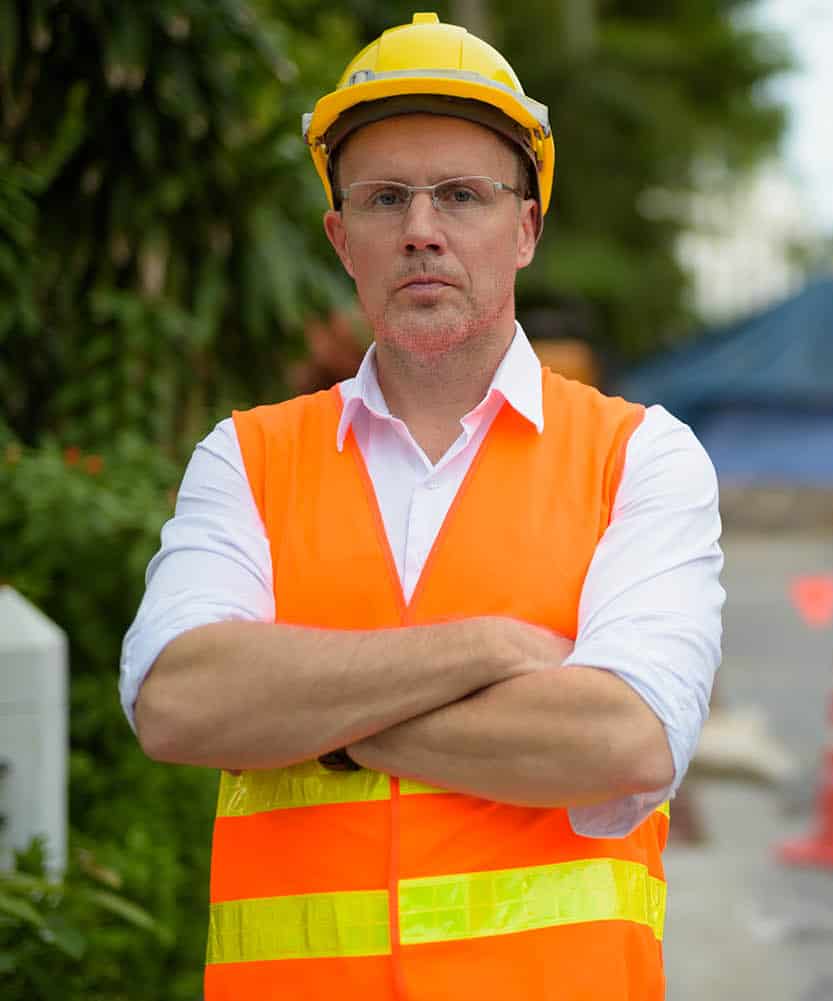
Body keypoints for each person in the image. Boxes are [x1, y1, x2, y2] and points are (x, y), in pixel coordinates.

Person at [119, 13, 723, 1000]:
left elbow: (621, 740)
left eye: (462, 195)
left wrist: (311, 714)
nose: (421, 228)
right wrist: (487, 650)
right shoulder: (246, 456)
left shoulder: (641, 457)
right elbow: (178, 700)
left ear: (525, 227)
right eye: (385, 197)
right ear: (340, 235)